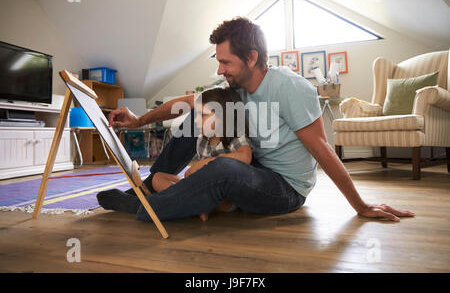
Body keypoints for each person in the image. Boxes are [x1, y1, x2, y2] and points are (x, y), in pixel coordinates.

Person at [97, 17, 415, 223]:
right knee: (199, 112)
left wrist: (360, 205)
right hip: (252, 171)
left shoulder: (290, 87)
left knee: (221, 169)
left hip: (284, 187)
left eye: (226, 62)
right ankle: (150, 185)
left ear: (251, 58)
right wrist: (138, 120)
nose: (220, 69)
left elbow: (322, 150)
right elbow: (185, 104)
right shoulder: (234, 88)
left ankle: (145, 208)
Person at [152, 87, 253, 221]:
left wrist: (207, 164)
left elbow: (245, 156)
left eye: (202, 115)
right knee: (158, 178)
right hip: (203, 189)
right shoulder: (202, 141)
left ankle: (187, 204)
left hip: (224, 195)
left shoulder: (235, 137)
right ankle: (192, 204)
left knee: (223, 200)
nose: (196, 120)